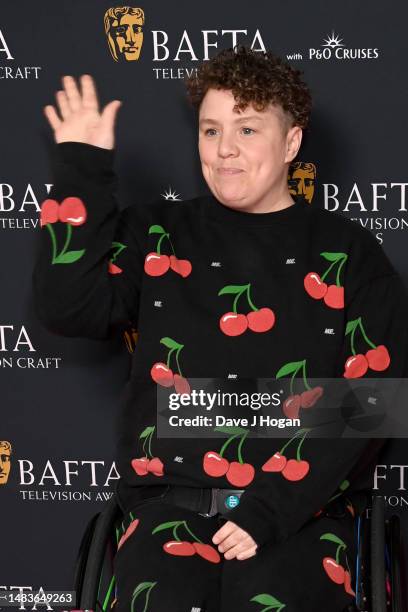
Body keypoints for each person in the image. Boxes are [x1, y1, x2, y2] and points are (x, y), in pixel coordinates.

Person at [32, 45, 408, 611]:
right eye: (210, 130)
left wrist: (268, 511)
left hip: (301, 513)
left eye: (248, 128)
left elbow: (369, 403)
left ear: (292, 144)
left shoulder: (347, 253)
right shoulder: (158, 234)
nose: (225, 148)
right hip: (169, 509)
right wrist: (81, 165)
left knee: (273, 595)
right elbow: (67, 307)